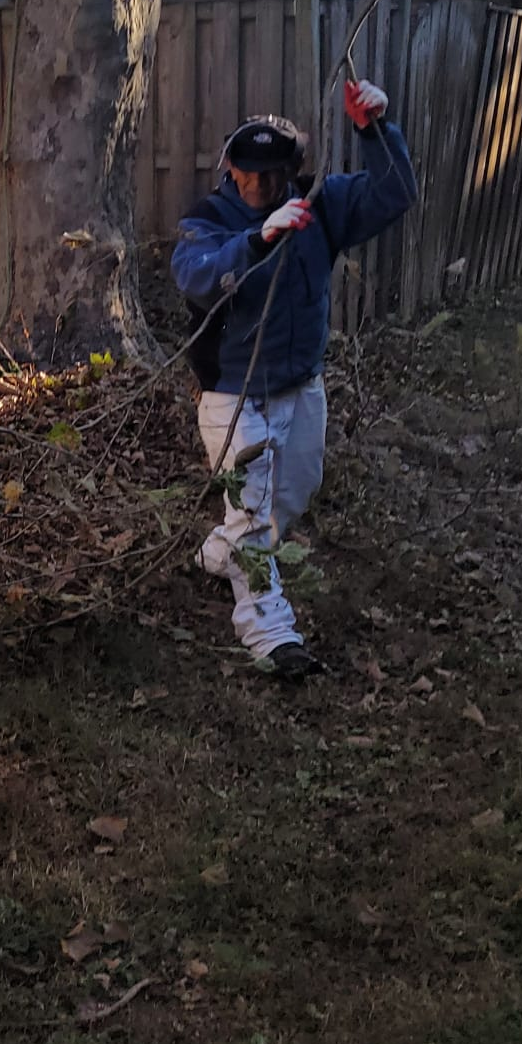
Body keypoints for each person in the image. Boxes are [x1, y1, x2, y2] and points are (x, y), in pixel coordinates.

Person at [170, 81, 417, 677]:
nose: (259, 185)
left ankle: (222, 550)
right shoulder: (208, 219)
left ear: (293, 169)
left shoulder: (321, 206)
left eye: (273, 173)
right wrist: (258, 239)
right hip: (233, 392)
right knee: (254, 513)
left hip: (300, 385)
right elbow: (195, 276)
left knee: (292, 496)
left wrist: (375, 130)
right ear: (229, 166)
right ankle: (271, 635)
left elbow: (395, 193)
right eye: (248, 172)